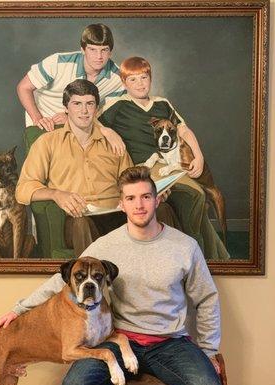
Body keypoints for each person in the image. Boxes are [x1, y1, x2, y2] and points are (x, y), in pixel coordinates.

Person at [0, 166, 223, 385]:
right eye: (131, 198)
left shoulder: (185, 246)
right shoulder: (106, 245)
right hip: (117, 339)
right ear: (122, 204)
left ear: (157, 199)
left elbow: (206, 299)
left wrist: (209, 351)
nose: (139, 205)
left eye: (146, 197)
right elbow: (60, 281)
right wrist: (18, 309)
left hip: (170, 344)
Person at [98, 56, 229, 260]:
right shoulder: (118, 105)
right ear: (123, 83)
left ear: (150, 78)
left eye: (144, 77)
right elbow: (95, 123)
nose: (140, 83)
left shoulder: (162, 103)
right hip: (144, 169)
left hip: (170, 164)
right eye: (133, 80)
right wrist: (109, 132)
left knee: (197, 197)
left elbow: (183, 130)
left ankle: (210, 257)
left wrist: (199, 156)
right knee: (194, 196)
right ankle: (205, 255)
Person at [15, 79, 133, 256]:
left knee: (160, 208)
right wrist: (56, 194)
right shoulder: (47, 142)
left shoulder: (113, 142)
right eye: (77, 104)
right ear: (66, 108)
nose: (84, 111)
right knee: (81, 222)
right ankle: (90, 279)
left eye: (90, 104)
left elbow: (131, 181)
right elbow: (23, 189)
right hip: (78, 219)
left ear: (96, 108)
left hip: (117, 214)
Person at [17, 23, 126, 154]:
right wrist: (38, 119)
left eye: (104, 50)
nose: (99, 56)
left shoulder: (119, 78)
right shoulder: (58, 62)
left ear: (111, 52)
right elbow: (23, 88)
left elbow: (104, 112)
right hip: (46, 122)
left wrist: (73, 119)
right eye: (92, 49)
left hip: (83, 125)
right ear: (83, 49)